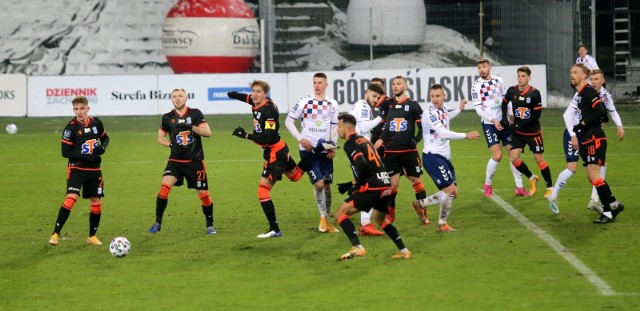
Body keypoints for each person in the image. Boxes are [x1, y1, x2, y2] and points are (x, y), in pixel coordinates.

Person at [227, 80, 311, 238]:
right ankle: (313, 154)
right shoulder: (255, 100)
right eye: (254, 91)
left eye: (259, 91)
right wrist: (233, 95)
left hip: (275, 153)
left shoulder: (269, 110)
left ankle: (274, 229)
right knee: (295, 176)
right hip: (280, 148)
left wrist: (245, 135)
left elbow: (267, 137)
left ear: (265, 94)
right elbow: (247, 98)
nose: (255, 94)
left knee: (262, 190)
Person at [551, 63, 624, 223]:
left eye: (575, 72)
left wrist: (582, 124)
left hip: (594, 138)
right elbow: (601, 115)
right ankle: (614, 204)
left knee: (595, 176)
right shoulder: (582, 94)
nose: (572, 75)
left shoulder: (588, 91)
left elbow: (601, 111)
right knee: (592, 178)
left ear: (583, 75)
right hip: (587, 137)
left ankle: (608, 213)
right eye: (571, 72)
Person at [334, 113, 412, 260]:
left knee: (340, 213)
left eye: (339, 127)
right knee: (380, 219)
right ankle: (404, 250)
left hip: (372, 187)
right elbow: (372, 166)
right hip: (385, 184)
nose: (337, 130)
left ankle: (357, 247)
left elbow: (362, 163)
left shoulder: (350, 143)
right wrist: (350, 184)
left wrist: (357, 186)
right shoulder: (365, 140)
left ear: (346, 127)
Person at [148, 88, 215, 235]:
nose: (177, 98)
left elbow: (208, 133)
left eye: (180, 96)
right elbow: (160, 138)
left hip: (195, 161)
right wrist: (170, 144)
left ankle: (210, 224)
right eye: (174, 96)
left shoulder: (195, 113)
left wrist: (191, 127)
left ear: (186, 98)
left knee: (204, 195)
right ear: (171, 99)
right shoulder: (167, 117)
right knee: (164, 187)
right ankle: (157, 222)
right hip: (175, 161)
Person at [48, 96, 110, 246]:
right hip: (77, 169)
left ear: (88, 108)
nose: (79, 112)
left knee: (96, 201)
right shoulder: (70, 128)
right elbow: (65, 152)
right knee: (71, 198)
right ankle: (55, 234)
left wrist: (102, 148)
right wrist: (87, 157)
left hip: (94, 170)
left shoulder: (96, 122)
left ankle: (92, 236)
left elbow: (105, 138)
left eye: (82, 108)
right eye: (76, 109)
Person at [419, 84, 480, 232]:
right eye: (432, 96)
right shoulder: (429, 113)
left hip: (444, 157)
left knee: (453, 193)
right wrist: (466, 135)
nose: (435, 99)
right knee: (450, 190)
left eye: (438, 96)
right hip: (432, 156)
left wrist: (459, 110)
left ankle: (421, 203)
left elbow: (445, 116)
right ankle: (442, 223)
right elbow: (443, 133)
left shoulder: (442, 109)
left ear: (444, 96)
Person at [285, 72, 340, 233]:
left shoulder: (333, 104)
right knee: (319, 184)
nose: (317, 85)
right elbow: (289, 121)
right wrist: (300, 138)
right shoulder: (305, 101)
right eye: (315, 82)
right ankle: (322, 217)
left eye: (320, 82)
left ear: (326, 85)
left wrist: (333, 146)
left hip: (325, 149)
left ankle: (327, 220)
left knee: (328, 185)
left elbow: (334, 127)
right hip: (308, 149)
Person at [373, 75, 429, 225]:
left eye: (399, 84)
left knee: (416, 180)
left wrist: (415, 141)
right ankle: (390, 214)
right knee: (393, 185)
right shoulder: (387, 104)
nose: (395, 87)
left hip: (409, 151)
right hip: (391, 151)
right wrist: (380, 139)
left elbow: (422, 128)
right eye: (394, 84)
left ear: (405, 86)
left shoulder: (413, 105)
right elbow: (385, 126)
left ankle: (422, 211)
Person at [472, 58, 526, 197]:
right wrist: (492, 119)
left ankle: (519, 187)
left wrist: (510, 116)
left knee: (514, 155)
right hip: (489, 124)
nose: (482, 70)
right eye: (479, 68)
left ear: (489, 67)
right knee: (497, 155)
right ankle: (488, 184)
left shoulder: (498, 80)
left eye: (484, 66)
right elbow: (478, 109)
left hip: (504, 122)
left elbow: (505, 101)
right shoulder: (476, 86)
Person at [502, 66, 553, 197]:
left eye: (523, 76)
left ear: (529, 78)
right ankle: (531, 178)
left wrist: (518, 125)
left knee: (539, 160)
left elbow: (536, 115)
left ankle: (550, 187)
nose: (520, 78)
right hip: (518, 133)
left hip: (533, 133)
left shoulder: (535, 93)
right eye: (519, 76)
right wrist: (504, 118)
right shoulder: (512, 90)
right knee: (514, 158)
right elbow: (504, 103)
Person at [346, 82, 386, 236]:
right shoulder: (363, 106)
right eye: (374, 96)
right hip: (359, 151)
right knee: (370, 186)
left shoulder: (364, 107)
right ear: (367, 93)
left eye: (378, 97)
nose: (375, 100)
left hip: (360, 148)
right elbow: (363, 128)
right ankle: (361, 222)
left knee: (368, 185)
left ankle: (363, 222)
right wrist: (381, 117)